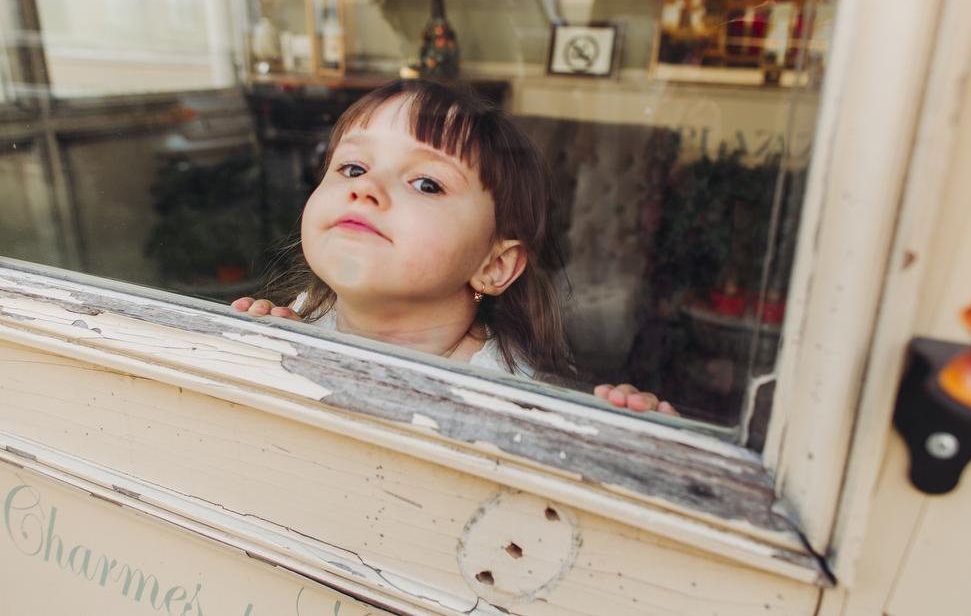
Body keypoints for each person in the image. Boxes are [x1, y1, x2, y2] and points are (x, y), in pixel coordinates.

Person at [232, 79, 675, 415]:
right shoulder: (302, 317)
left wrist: (635, 442)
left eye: (426, 183)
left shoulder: (518, 399)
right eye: (351, 168)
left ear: (494, 266)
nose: (365, 188)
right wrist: (255, 353)